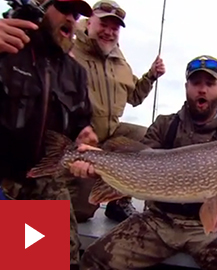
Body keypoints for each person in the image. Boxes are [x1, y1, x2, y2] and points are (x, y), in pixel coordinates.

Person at [74, 55, 217, 270]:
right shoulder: (164, 125)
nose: (202, 89)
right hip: (159, 221)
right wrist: (100, 168)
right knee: (95, 259)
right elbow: (138, 163)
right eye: (196, 83)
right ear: (187, 86)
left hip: (212, 229)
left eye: (210, 83)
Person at [0, 0, 98, 269]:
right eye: (64, 8)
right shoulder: (6, 46)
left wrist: (84, 137)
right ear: (41, 8)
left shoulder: (75, 72)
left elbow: (81, 123)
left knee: (57, 260)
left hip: (39, 180)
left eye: (76, 14)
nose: (71, 18)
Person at [67, 0, 166, 223]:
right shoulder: (70, 50)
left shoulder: (120, 61)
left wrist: (151, 76)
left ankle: (119, 201)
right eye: (104, 24)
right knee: (80, 212)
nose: (109, 32)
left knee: (149, 136)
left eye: (115, 28)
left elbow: (135, 97)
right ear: (89, 21)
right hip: (79, 137)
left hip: (111, 136)